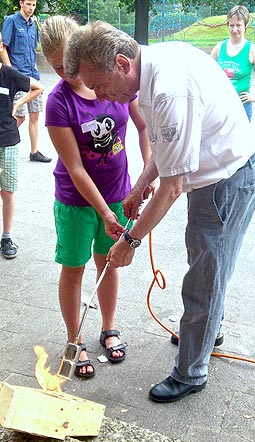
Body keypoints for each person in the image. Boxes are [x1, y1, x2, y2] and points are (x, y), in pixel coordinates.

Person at [63, 21, 255, 401]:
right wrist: (140, 185)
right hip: (212, 177)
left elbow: (171, 187)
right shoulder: (153, 65)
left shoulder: (170, 90)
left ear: (122, 64)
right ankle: (208, 331)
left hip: (226, 181)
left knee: (205, 274)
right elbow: (166, 146)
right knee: (208, 263)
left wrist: (129, 241)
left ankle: (191, 372)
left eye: (100, 85)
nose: (101, 97)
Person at [40, 16, 152, 378]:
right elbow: (75, 168)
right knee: (73, 268)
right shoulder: (58, 102)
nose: (69, 72)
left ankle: (108, 327)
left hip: (119, 192)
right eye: (59, 67)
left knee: (109, 262)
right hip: (77, 202)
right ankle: (74, 339)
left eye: (72, 62)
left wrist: (148, 170)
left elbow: (143, 125)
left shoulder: (114, 82)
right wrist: (104, 212)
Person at [0, 32, 43, 259]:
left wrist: (19, 103)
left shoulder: (8, 74)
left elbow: (38, 87)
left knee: (7, 192)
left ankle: (6, 237)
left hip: (7, 141)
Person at [1, 0, 52, 163]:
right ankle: (3, 143)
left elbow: (31, 49)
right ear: (21, 3)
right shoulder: (11, 21)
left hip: (32, 75)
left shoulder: (33, 24)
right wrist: (10, 73)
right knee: (18, 116)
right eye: (28, 4)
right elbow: (3, 48)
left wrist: (35, 68)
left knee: (35, 114)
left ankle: (34, 151)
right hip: (17, 76)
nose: (31, 8)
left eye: (34, 5)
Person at [210, 5, 255, 121]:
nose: (234, 29)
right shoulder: (220, 47)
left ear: (246, 25)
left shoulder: (251, 50)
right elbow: (207, 69)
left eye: (238, 25)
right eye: (231, 25)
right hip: (220, 105)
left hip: (242, 107)